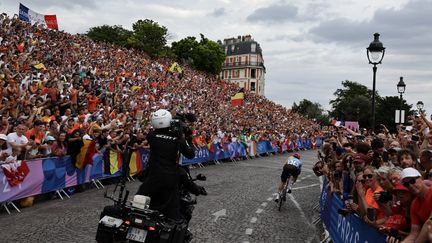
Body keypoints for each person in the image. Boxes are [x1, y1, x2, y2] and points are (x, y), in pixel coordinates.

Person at [136, 109, 195, 220]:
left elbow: (157, 134)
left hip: (152, 177)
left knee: (138, 207)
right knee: (174, 215)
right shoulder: (176, 138)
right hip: (169, 178)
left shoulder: (151, 136)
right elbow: (190, 154)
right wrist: (187, 138)